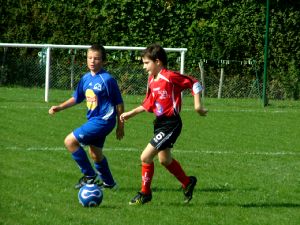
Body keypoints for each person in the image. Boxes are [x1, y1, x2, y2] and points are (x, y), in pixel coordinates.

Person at [120, 43, 208, 205]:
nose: (144, 67)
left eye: (147, 63)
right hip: (160, 123)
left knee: (145, 157)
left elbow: (194, 83)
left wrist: (198, 106)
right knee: (165, 160)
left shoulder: (170, 76)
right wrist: (130, 114)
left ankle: (145, 193)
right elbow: (149, 103)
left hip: (171, 123)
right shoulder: (151, 80)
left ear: (158, 62)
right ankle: (187, 182)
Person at [49, 44, 124, 190]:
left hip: (104, 121)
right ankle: (110, 184)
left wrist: (120, 126)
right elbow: (77, 98)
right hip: (94, 120)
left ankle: (89, 176)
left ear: (103, 61)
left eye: (96, 58)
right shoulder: (85, 78)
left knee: (70, 141)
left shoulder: (107, 79)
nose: (92, 61)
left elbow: (119, 104)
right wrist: (59, 107)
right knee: (95, 154)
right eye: (90, 58)